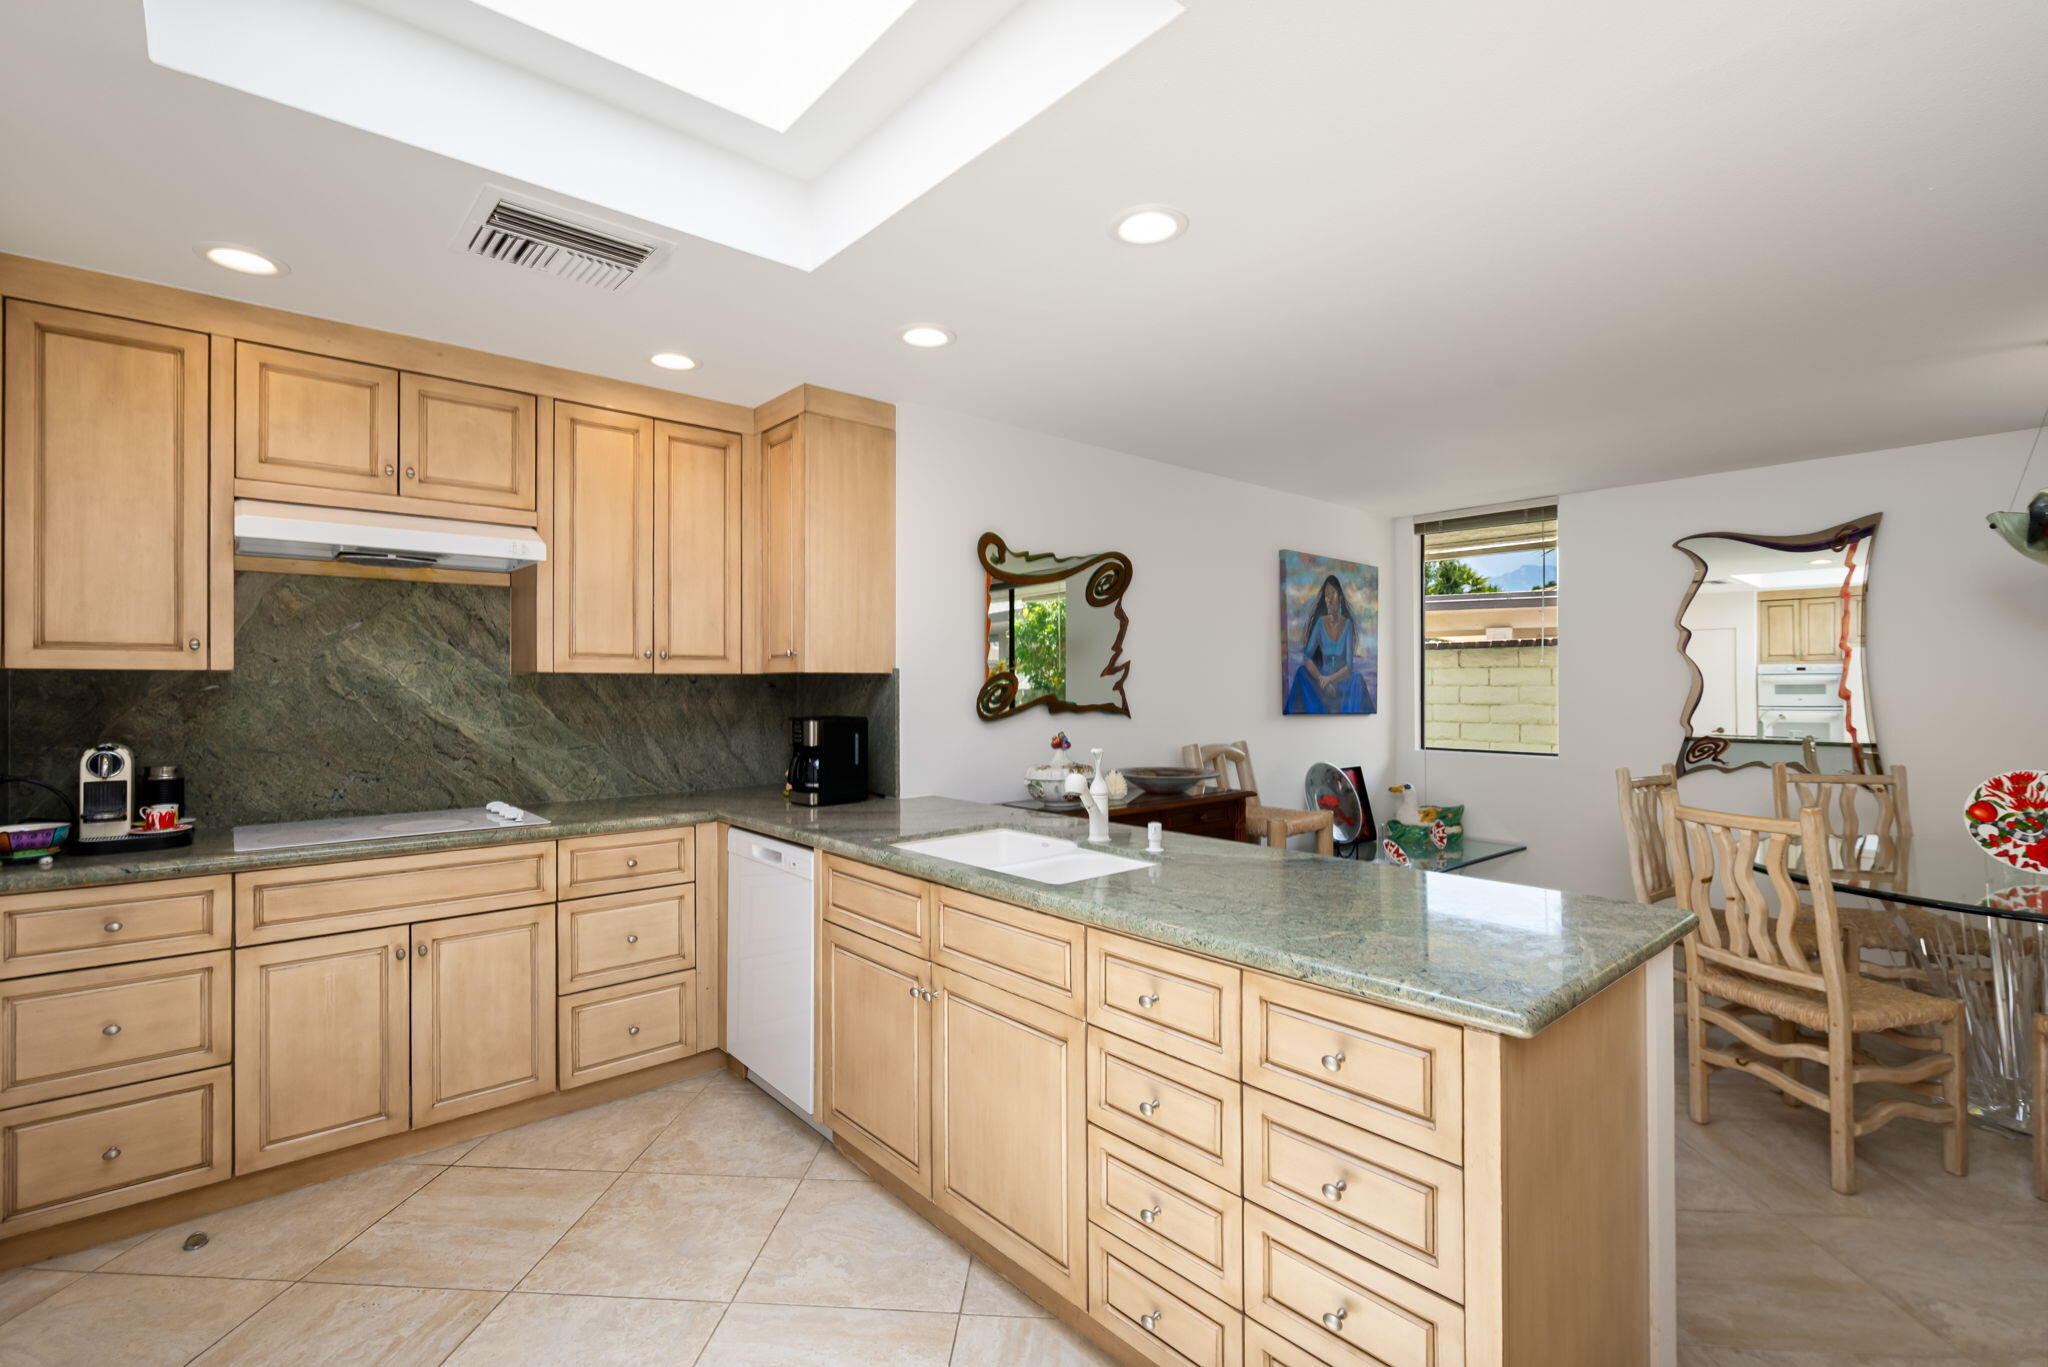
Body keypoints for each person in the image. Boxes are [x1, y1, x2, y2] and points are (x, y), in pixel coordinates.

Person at [1287, 574, 1372, 714]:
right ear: (1325, 600)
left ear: (1340, 597)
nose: (1330, 599)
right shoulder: (1320, 623)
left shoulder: (1348, 625)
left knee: (1357, 679)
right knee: (1301, 672)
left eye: (1333, 593)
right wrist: (1322, 678)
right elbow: (1307, 657)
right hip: (1321, 680)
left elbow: (1349, 667)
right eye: (1327, 595)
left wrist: (1330, 679)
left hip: (1341, 680)